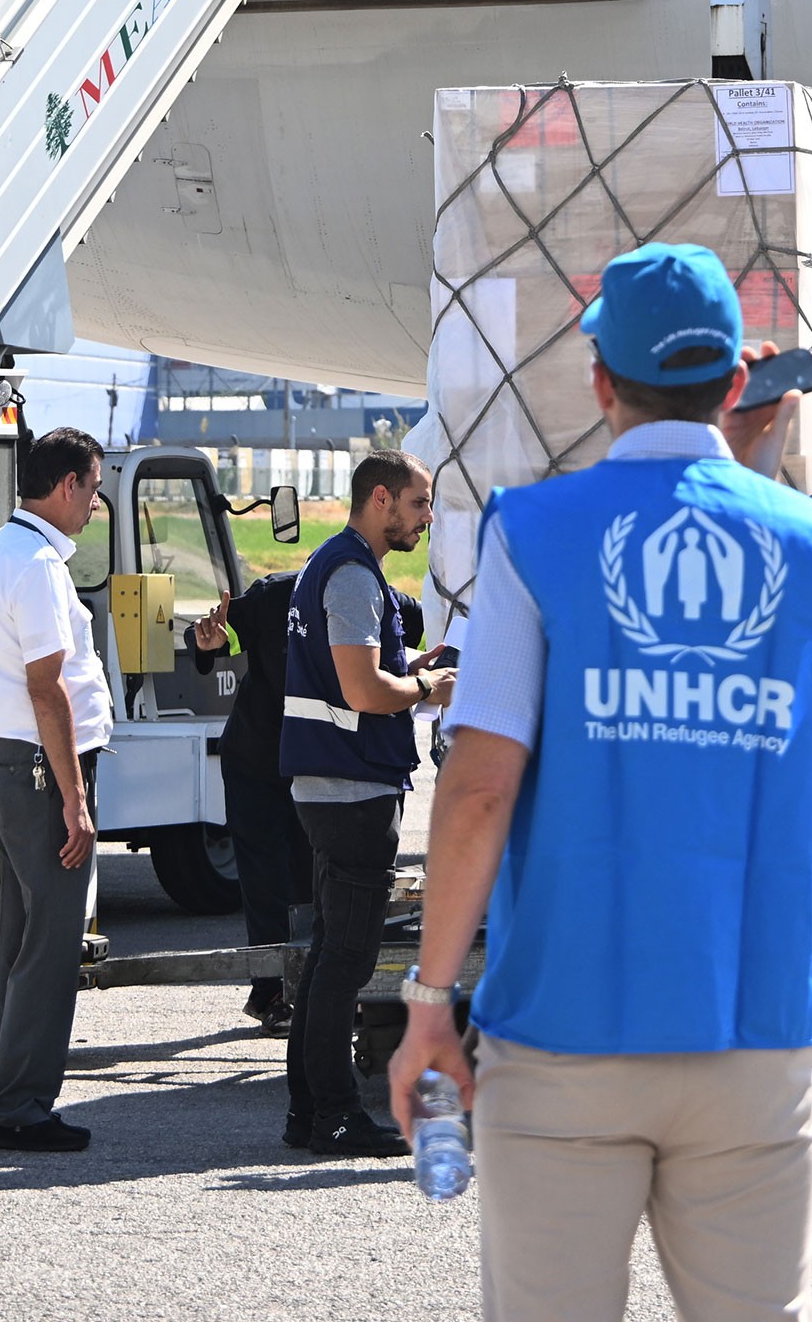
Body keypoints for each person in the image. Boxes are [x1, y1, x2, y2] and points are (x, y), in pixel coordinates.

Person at [388, 244, 812, 1322]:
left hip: (567, 1026)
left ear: (600, 379)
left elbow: (478, 787)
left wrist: (430, 1005)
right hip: (751, 1022)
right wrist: (736, 467)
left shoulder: (534, 534)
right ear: (740, 383)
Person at [277, 449, 455, 1157]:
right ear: (380, 500)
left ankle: (308, 1111)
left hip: (335, 785)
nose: (427, 517)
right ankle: (336, 1115)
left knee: (329, 955)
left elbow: (355, 671)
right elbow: (360, 692)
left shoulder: (339, 567)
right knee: (346, 960)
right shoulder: (352, 574)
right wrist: (425, 691)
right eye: (419, 503)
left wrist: (409, 666)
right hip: (351, 789)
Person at [0, 427, 115, 1154]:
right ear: (67, 486)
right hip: (42, 768)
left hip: (11, 762)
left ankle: (12, 1096)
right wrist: (75, 796)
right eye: (93, 486)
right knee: (50, 945)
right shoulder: (38, 568)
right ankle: (22, 1106)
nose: (95, 501)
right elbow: (45, 689)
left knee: (23, 935)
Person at [218, 566, 312, 1035]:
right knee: (265, 877)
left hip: (316, 763)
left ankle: (309, 986)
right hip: (255, 758)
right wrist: (209, 640)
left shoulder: (378, 598)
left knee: (309, 875)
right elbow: (221, 634)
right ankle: (270, 992)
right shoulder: (276, 594)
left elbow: (425, 636)